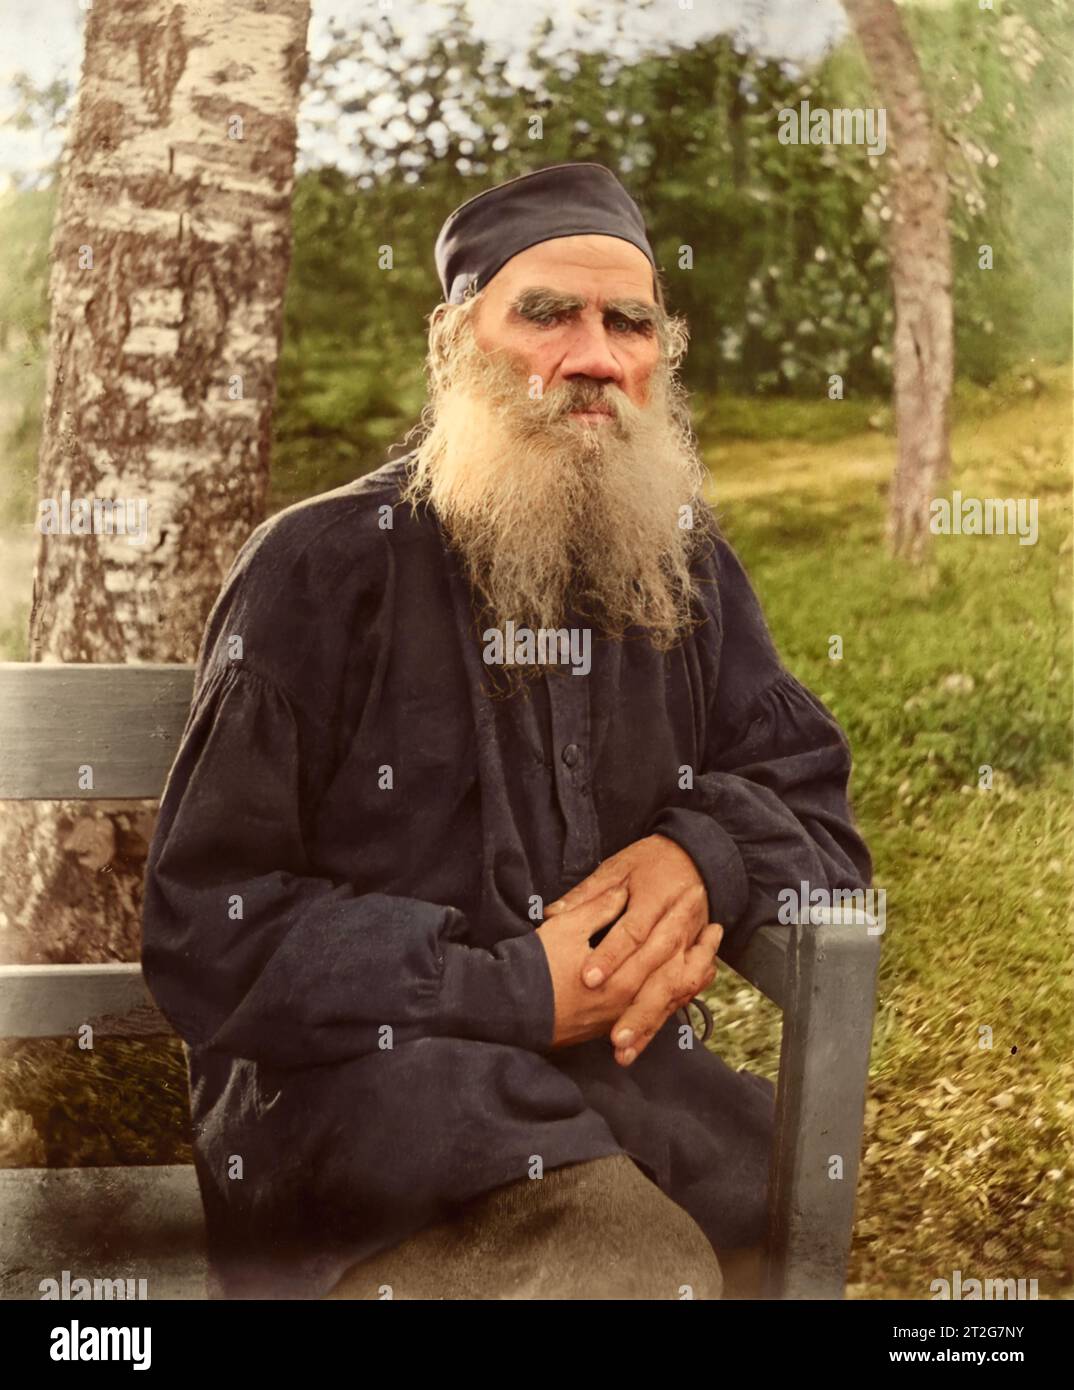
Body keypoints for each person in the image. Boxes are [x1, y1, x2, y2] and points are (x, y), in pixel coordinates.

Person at [141, 162, 872, 1300]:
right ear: (457, 342)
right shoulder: (319, 570)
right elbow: (204, 926)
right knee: (635, 1271)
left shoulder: (685, 569)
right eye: (548, 313)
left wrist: (705, 851)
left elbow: (813, 802)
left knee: (746, 1216)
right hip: (371, 1113)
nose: (594, 356)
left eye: (629, 323)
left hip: (625, 1093)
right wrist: (506, 987)